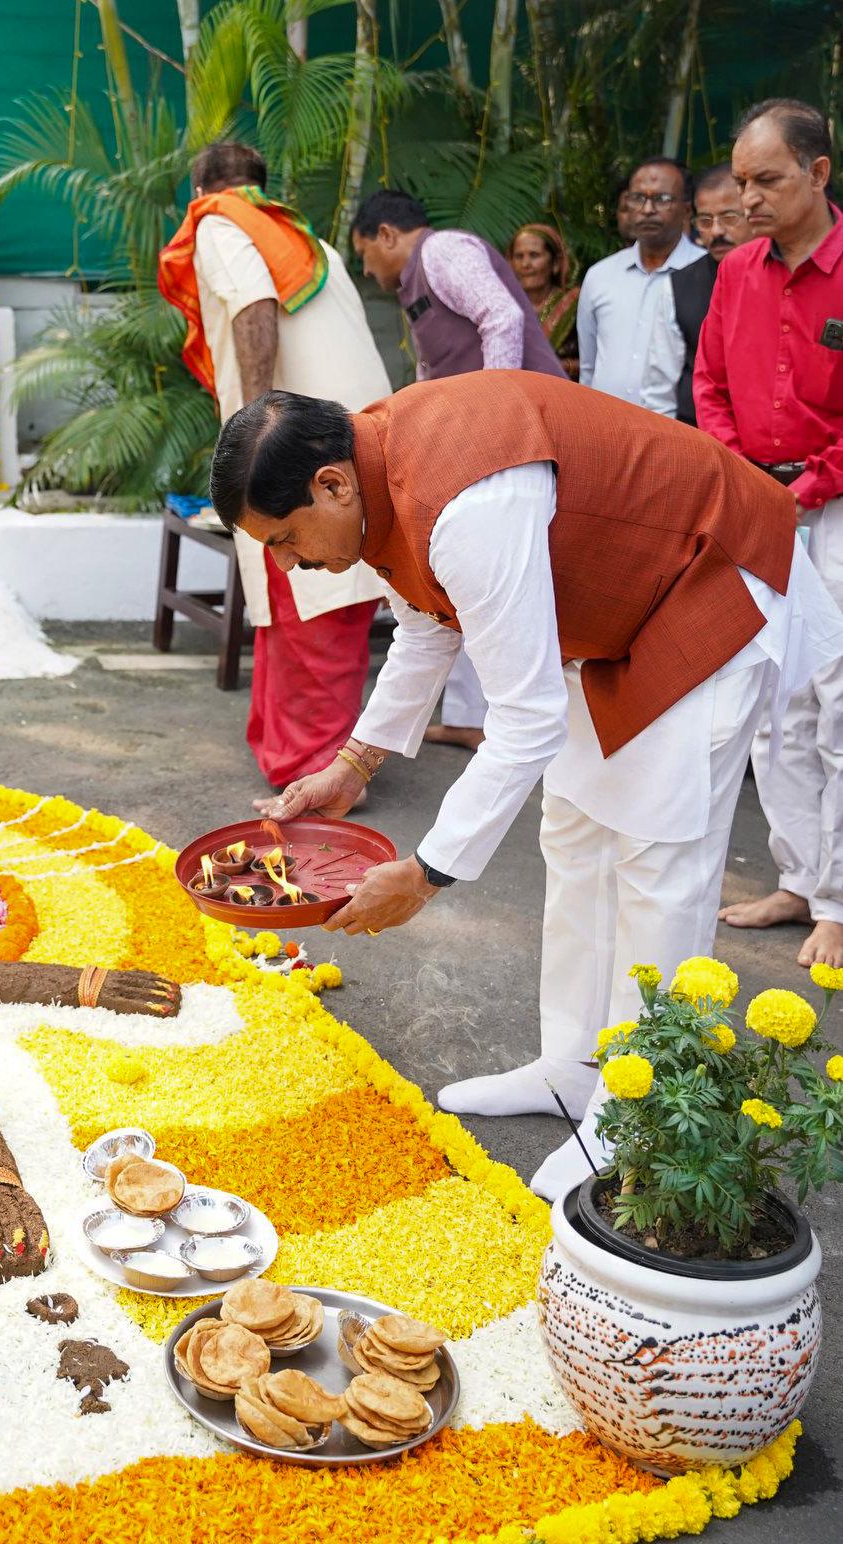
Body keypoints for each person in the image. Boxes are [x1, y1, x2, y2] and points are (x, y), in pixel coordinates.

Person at [208, 375, 843, 1199]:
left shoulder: (466, 501)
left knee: (659, 854)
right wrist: (352, 764)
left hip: (709, 572)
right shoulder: (378, 474)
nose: (294, 565)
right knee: (575, 833)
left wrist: (428, 873)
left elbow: (525, 719)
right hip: (623, 605)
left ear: (330, 483)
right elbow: (428, 624)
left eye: (287, 540)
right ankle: (571, 1068)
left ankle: (632, 1117)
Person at [157, 142, 391, 792]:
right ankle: (285, 754)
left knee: (312, 603)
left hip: (296, 444)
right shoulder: (304, 237)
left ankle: (313, 773)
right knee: (298, 602)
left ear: (201, 189)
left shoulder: (218, 222)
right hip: (345, 436)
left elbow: (252, 304)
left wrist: (254, 423)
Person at [696, 99, 843, 971]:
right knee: (772, 705)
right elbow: (708, 381)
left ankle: (838, 901)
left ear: (818, 173)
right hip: (759, 506)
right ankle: (798, 878)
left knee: (837, 703)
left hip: (835, 504)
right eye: (740, 180)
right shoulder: (735, 272)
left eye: (766, 180)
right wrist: (736, 472)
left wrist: (814, 481)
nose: (745, 198)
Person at [352, 189, 566, 751]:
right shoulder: (417, 280)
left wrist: (495, 414)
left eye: (365, 254)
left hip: (519, 436)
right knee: (467, 578)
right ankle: (478, 720)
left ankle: (529, 725)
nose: (368, 268)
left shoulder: (443, 250)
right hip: (485, 445)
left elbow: (499, 316)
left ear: (387, 235)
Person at [577, 157, 701, 402]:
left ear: (686, 209)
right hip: (606, 426)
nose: (647, 210)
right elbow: (588, 367)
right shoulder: (600, 276)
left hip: (679, 429)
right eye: (637, 198)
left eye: (661, 199)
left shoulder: (708, 274)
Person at [642, 165, 751, 423]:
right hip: (699, 439)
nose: (716, 232)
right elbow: (659, 389)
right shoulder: (678, 286)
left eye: (729, 217)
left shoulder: (781, 276)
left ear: (752, 213)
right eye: (705, 221)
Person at [507, 223, 581, 380]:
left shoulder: (575, 305)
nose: (526, 264)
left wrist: (560, 367)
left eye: (534, 255)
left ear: (555, 264)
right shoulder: (502, 306)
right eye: (519, 256)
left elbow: (599, 361)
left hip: (565, 393)